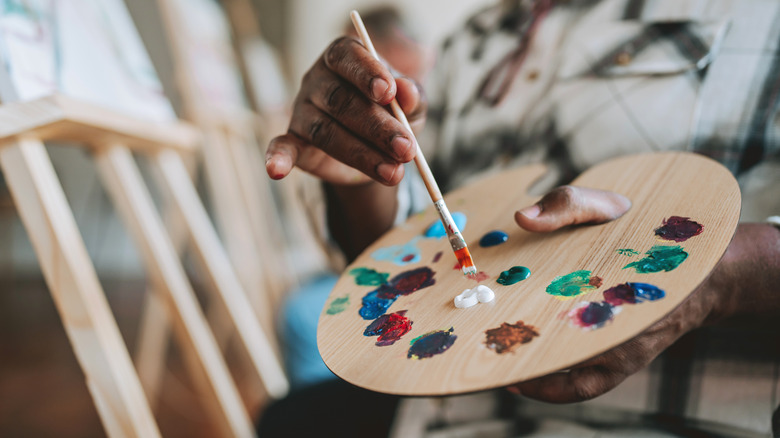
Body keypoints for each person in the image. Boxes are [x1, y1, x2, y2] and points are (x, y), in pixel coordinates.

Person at [264, 0, 780, 436]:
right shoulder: (475, 37)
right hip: (437, 415)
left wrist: (708, 274)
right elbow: (408, 251)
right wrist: (363, 177)